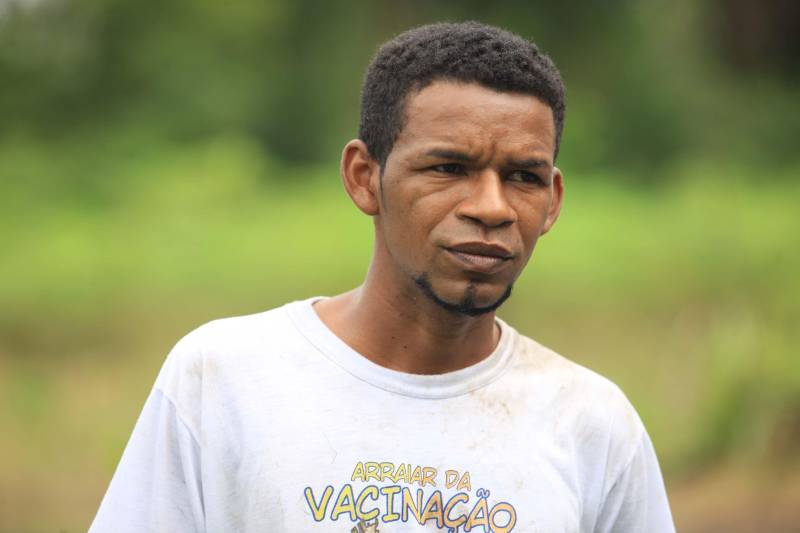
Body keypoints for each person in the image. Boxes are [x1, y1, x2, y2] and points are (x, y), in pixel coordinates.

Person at [90, 21, 675, 533]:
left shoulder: (592, 424)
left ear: (552, 201)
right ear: (365, 177)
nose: (493, 207)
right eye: (449, 167)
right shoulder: (223, 379)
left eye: (523, 176)